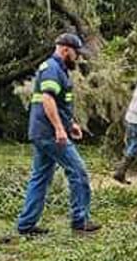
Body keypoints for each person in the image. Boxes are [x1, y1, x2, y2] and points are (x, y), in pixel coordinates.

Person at [14, 32, 100, 236]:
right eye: (76, 53)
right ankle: (80, 221)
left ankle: (26, 225)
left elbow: (60, 104)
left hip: (43, 131)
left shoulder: (58, 69)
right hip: (50, 133)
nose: (78, 58)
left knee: (40, 178)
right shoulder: (52, 68)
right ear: (65, 50)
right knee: (78, 173)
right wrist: (60, 129)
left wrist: (70, 124)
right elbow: (48, 100)